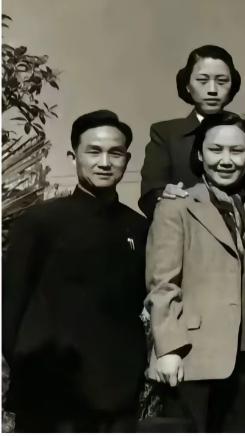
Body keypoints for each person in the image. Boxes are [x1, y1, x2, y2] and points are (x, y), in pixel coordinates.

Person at [2, 110, 148, 432]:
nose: (105, 162)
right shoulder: (40, 222)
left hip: (117, 392)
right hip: (50, 391)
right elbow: (10, 306)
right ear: (73, 157)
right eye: (94, 151)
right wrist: (30, 366)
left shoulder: (139, 227)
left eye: (115, 153)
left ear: (127, 159)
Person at [145, 113, 245, 432]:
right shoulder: (176, 206)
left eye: (237, 150)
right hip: (192, 356)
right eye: (216, 150)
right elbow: (162, 284)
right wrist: (169, 349)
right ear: (200, 154)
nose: (226, 160)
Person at [139, 45, 241, 218]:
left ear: (232, 86)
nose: (212, 90)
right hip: (185, 227)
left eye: (222, 81)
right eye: (202, 80)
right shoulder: (166, 134)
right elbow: (150, 194)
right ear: (187, 85)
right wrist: (164, 195)